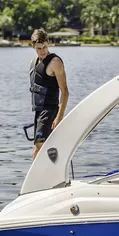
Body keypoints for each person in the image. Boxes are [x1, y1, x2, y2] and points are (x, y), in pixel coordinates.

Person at [30, 29, 69, 160]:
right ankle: (36, 179)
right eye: (39, 48)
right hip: (38, 110)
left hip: (49, 109)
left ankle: (56, 167)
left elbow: (65, 91)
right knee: (37, 146)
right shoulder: (35, 62)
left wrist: (59, 117)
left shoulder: (55, 62)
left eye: (45, 47)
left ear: (48, 43)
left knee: (41, 142)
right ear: (33, 47)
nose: (42, 51)